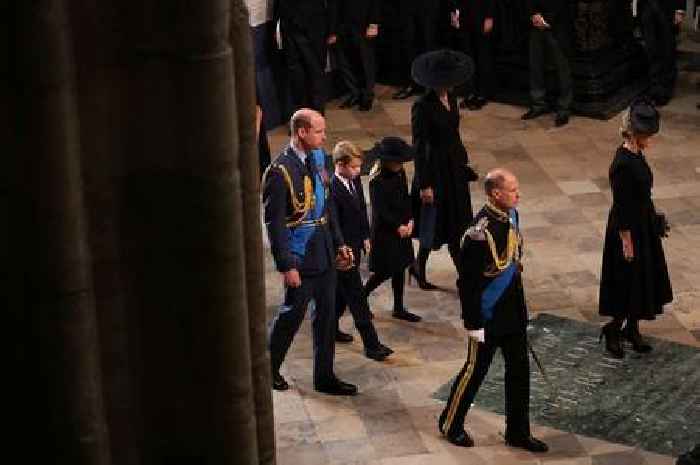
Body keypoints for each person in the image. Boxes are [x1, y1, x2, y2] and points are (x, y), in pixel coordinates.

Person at [438, 169, 548, 453]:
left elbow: (512, 263)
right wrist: (473, 322)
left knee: (519, 371)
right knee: (475, 371)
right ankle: (451, 424)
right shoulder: (479, 234)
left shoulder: (511, 216)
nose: (518, 194)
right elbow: (468, 283)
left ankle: (518, 432)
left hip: (512, 312)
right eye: (513, 190)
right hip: (486, 315)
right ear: (495, 194)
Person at [262, 108, 357, 395]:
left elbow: (326, 208)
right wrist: (287, 265)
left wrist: (339, 243)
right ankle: (268, 369)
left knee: (327, 319)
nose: (324, 136)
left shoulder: (318, 159)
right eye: (319, 131)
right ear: (301, 132)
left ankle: (324, 377)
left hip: (325, 252)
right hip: (301, 258)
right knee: (291, 317)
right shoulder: (279, 172)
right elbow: (275, 224)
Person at [598, 99, 672, 358]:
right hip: (626, 229)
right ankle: (614, 328)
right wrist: (627, 242)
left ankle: (633, 328)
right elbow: (621, 206)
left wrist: (653, 219)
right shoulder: (622, 164)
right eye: (646, 134)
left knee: (641, 278)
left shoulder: (637, 153)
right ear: (634, 133)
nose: (650, 138)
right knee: (626, 280)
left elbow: (642, 195)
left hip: (642, 224)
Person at [410, 49, 479, 289]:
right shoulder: (422, 106)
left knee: (458, 222)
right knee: (436, 224)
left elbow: (454, 134)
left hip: (453, 169)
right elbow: (419, 147)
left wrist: (462, 163)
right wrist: (424, 183)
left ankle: (464, 274)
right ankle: (420, 268)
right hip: (435, 171)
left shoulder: (451, 99)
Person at [330, 141, 394, 361]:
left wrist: (366, 235)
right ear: (340, 164)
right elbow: (334, 222)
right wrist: (342, 247)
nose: (359, 171)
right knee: (357, 297)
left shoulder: (354, 180)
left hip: (356, 244)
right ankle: (372, 345)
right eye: (355, 167)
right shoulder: (331, 187)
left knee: (342, 293)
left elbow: (360, 209)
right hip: (342, 252)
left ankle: (330, 327)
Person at [363, 137, 422, 323]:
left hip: (402, 228)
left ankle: (398, 307)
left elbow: (405, 198)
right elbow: (381, 210)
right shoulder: (377, 180)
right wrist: (398, 226)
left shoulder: (400, 173)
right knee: (383, 271)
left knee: (400, 267)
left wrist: (411, 220)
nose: (400, 164)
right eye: (397, 161)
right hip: (385, 232)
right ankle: (359, 298)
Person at [274, 0, 337, 114]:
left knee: (316, 74)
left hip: (314, 28)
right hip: (289, 28)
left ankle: (316, 119)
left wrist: (332, 30)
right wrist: (276, 24)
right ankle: (301, 120)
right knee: (296, 78)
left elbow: (332, 3)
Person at [521, 0, 574, 127]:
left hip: (557, 26)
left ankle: (563, 109)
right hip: (535, 25)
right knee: (536, 66)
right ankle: (538, 104)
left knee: (563, 69)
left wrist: (547, 20)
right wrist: (534, 15)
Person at [636, 0, 686, 106]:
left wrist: (680, 10)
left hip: (666, 7)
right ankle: (655, 89)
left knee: (666, 50)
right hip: (646, 6)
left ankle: (665, 91)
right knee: (651, 50)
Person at [333, 0, 380, 111]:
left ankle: (367, 96)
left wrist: (374, 23)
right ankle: (354, 93)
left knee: (366, 62)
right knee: (345, 62)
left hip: (363, 22)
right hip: (341, 22)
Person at [448, 0, 495, 110]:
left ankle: (482, 94)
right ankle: (471, 92)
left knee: (483, 57)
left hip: (481, 14)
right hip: (464, 15)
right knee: (468, 56)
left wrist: (490, 16)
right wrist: (454, 14)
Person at [392, 0, 442, 99]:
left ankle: (429, 87)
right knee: (408, 44)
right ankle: (412, 84)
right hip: (408, 7)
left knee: (428, 46)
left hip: (428, 7)